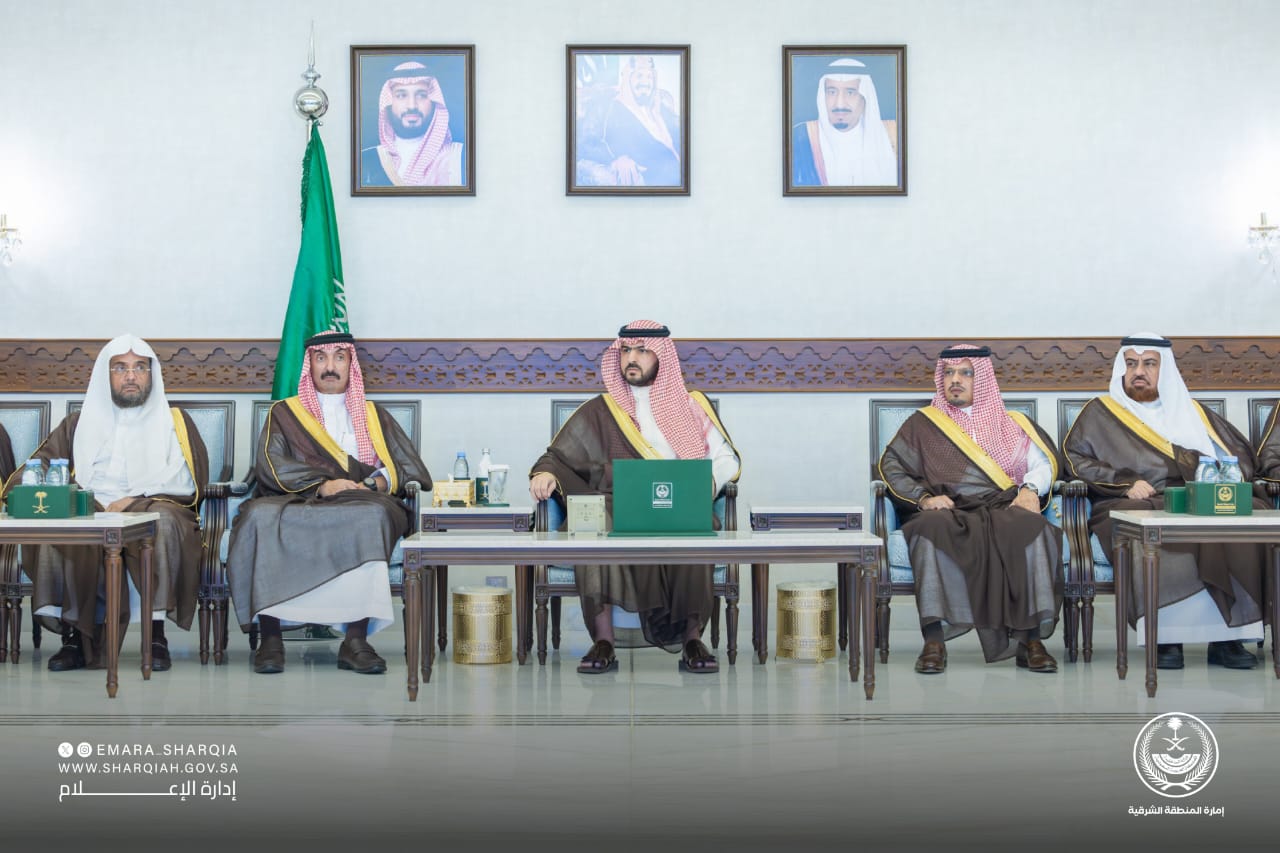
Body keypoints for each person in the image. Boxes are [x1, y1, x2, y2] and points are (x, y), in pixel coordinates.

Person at [529, 320, 740, 674]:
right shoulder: (601, 409)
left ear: (662, 357)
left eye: (642, 351)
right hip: (617, 503)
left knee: (696, 522)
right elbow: (558, 456)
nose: (632, 358)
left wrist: (709, 483)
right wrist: (547, 473)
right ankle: (603, 640)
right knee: (595, 523)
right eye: (626, 350)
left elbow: (726, 459)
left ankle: (692, 639)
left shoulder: (692, 406)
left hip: (675, 504)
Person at [226, 331, 432, 675]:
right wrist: (322, 485)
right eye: (321, 358)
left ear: (351, 364)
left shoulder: (373, 415)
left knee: (372, 515)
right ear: (310, 366)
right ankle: (271, 639)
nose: (330, 367)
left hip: (358, 501)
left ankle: (355, 641)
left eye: (339, 357)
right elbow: (270, 463)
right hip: (300, 498)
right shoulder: (285, 413)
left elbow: (408, 467)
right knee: (260, 516)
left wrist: (376, 482)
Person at [1, 335, 207, 672]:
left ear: (151, 374)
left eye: (140, 367)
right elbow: (42, 464)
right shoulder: (78, 423)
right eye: (120, 368)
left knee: (166, 522)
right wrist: (41, 489)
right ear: (105, 375)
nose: (131, 376)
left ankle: (155, 636)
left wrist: (135, 500)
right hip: (90, 508)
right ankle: (75, 638)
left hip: (149, 505)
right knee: (59, 527)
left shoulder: (175, 423)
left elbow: (186, 480)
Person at [1062, 333, 1264, 669]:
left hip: (1192, 497)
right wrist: (1124, 484)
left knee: (1246, 513)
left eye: (1149, 364)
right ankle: (1166, 637)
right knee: (1148, 523)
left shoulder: (1192, 411)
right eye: (1131, 364)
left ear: (1165, 369)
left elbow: (1236, 457)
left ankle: (1228, 637)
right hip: (1134, 500)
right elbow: (1075, 459)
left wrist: (1217, 478)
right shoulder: (1100, 412)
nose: (1138, 372)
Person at [879, 345, 1063, 674]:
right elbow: (893, 466)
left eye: (966, 373)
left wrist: (1030, 489)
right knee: (928, 528)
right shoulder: (922, 424)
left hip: (1002, 504)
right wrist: (923, 498)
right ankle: (934, 641)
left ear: (984, 379)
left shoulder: (1012, 424)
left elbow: (1043, 464)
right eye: (949, 372)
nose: (955, 380)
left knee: (1034, 529)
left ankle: (1031, 641)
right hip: (949, 508)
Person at [791, 58, 898, 187]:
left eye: (850, 92)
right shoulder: (800, 137)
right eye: (832, 92)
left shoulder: (894, 135)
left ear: (865, 98)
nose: (840, 104)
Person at [578, 55, 682, 187]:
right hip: (649, 182)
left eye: (649, 77)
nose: (645, 82)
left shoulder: (659, 109)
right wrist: (616, 159)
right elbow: (586, 143)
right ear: (627, 78)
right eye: (639, 76)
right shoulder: (606, 106)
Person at [359, 61, 465, 187]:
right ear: (389, 102)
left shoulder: (461, 157)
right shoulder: (366, 160)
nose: (412, 105)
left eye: (421, 95)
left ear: (434, 101)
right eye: (401, 95)